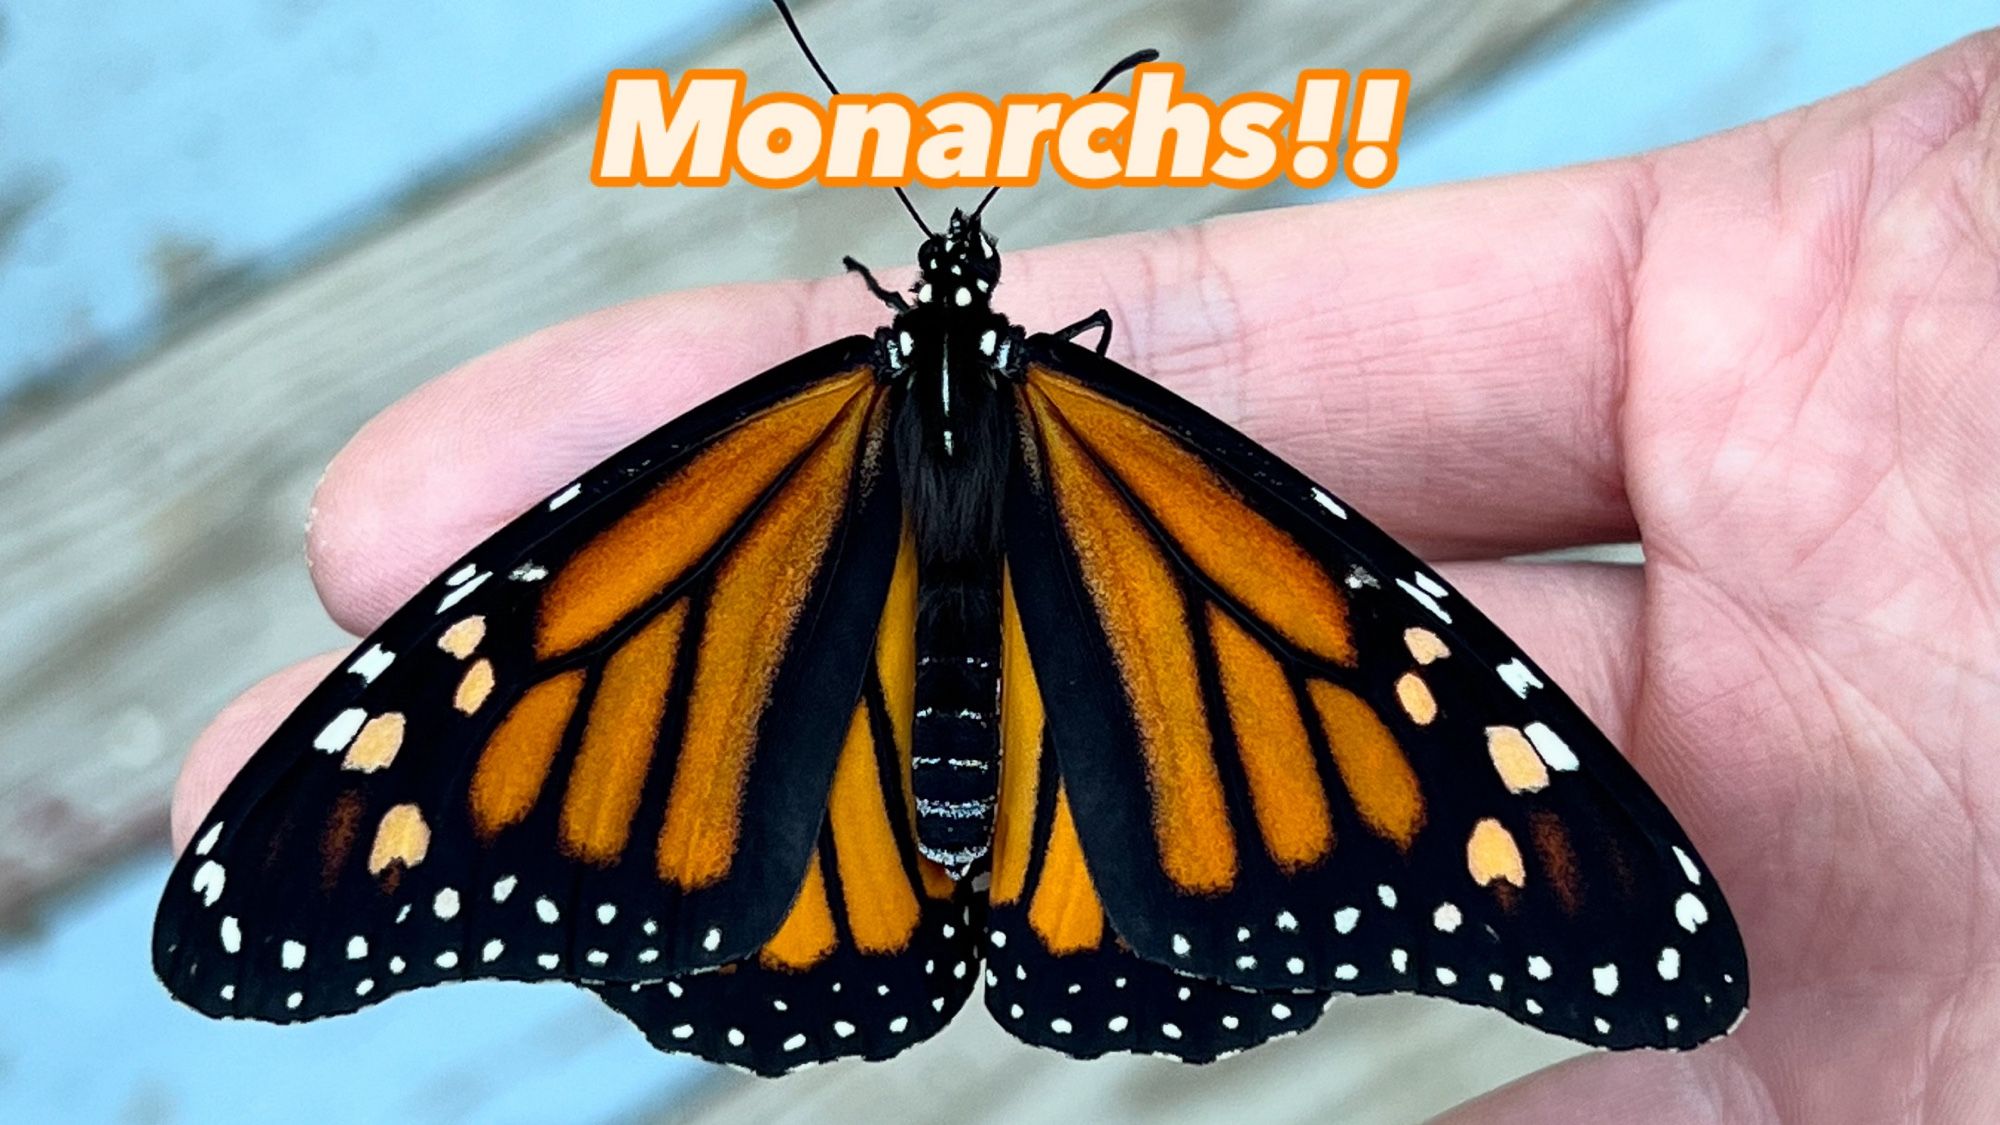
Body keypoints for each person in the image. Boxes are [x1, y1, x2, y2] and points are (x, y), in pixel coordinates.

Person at [169, 31, 2000, 1122]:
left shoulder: (786, 438)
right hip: (1004, 809)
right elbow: (1365, 695)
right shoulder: (1125, 442)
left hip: (883, 840)